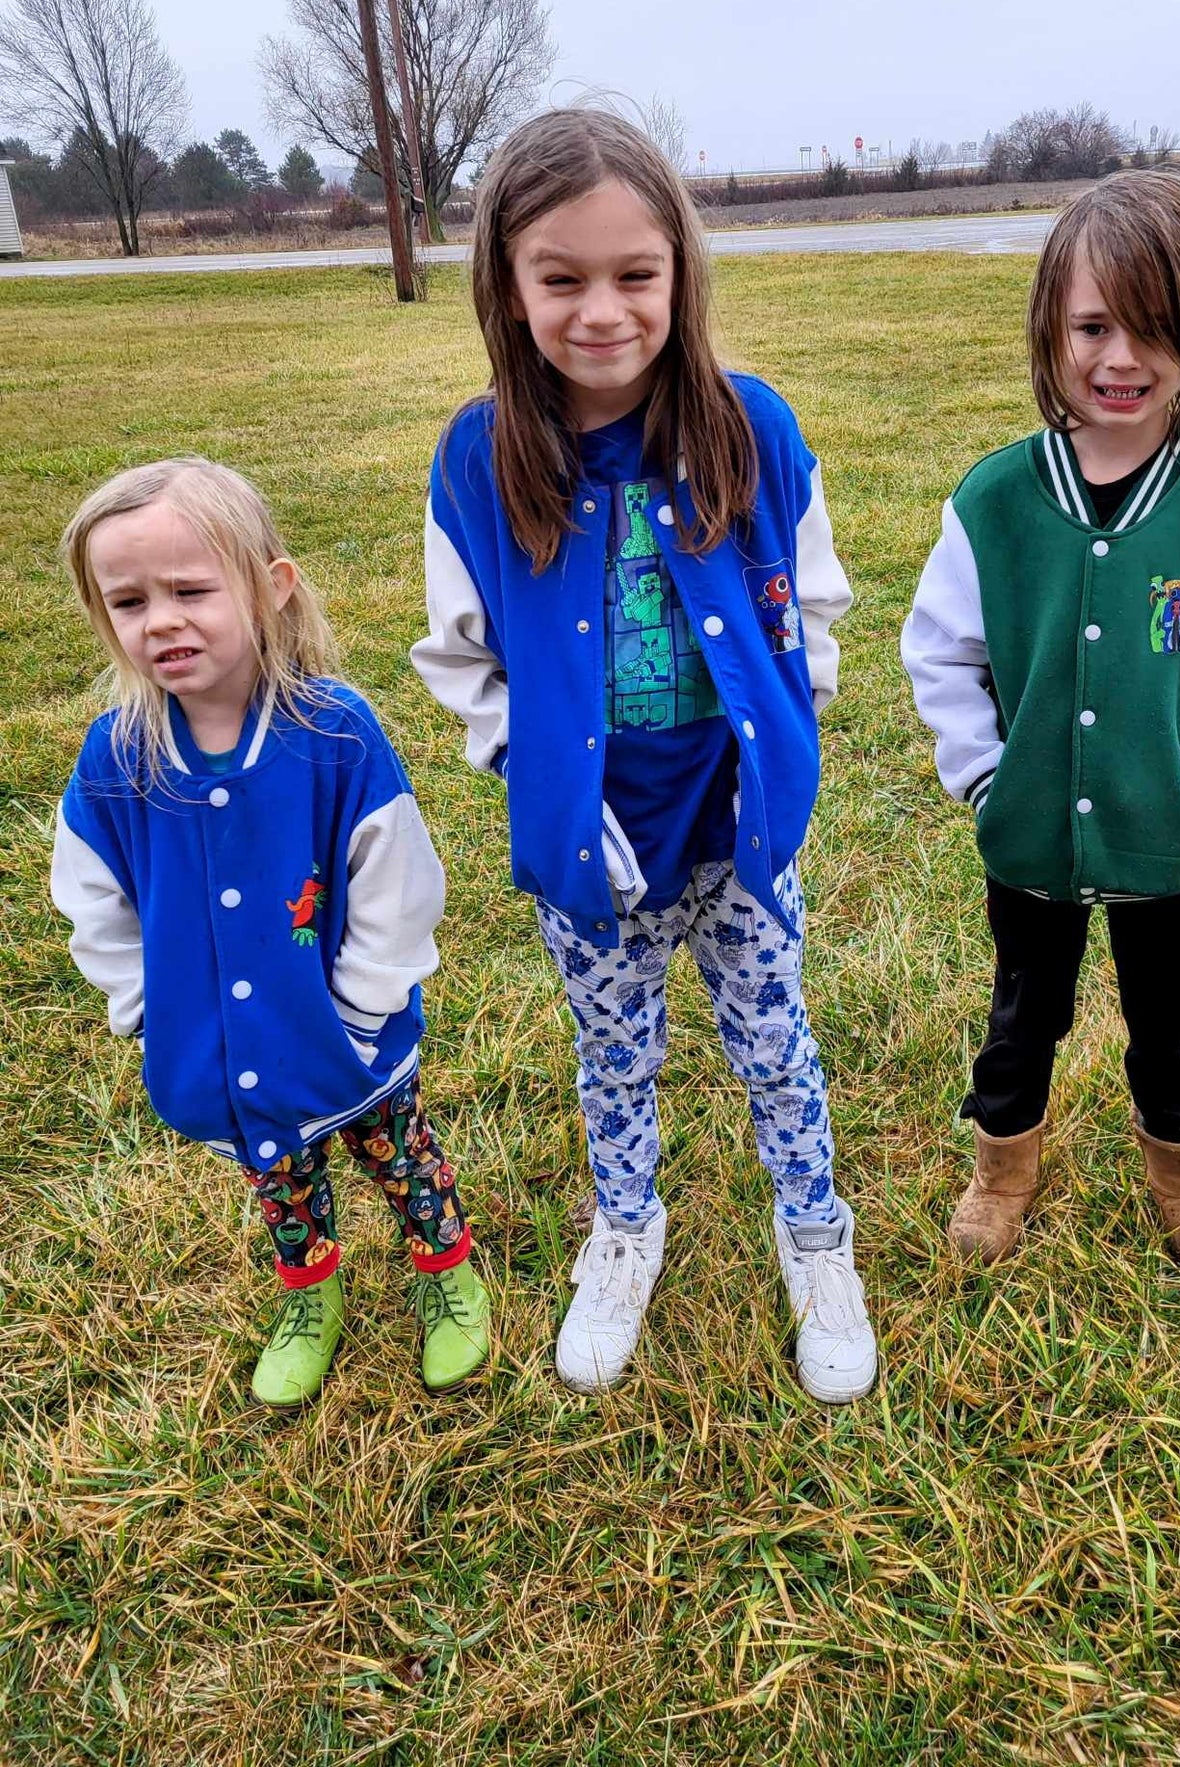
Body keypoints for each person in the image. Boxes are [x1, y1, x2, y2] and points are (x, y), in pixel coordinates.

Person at [412, 108, 876, 1401]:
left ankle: (816, 1232)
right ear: (509, 285)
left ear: (680, 271)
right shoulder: (478, 457)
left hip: (734, 824)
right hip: (593, 845)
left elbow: (813, 602)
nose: (601, 309)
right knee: (613, 1047)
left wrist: (788, 745)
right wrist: (537, 778)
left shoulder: (751, 426)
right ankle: (627, 1225)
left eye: (635, 274)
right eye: (561, 277)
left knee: (772, 1037)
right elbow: (460, 654)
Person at [901, 172, 1180, 1278]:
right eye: (1091, 326)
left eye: (1151, 330)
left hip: (1165, 848)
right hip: (1027, 840)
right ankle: (1001, 1167)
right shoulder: (992, 501)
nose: (1118, 357)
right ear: (1050, 329)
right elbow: (939, 652)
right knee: (1020, 1013)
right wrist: (986, 777)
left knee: (1170, 1023)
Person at [50, 458, 491, 1406]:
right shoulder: (115, 759)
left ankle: (445, 1272)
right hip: (218, 1049)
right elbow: (94, 897)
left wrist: (365, 1013)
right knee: (280, 1180)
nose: (160, 620)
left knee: (400, 1155)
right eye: (128, 601)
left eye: (190, 591)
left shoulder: (333, 733)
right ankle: (309, 1296)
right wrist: (144, 1007)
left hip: (346, 1038)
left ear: (271, 586)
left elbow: (395, 880)